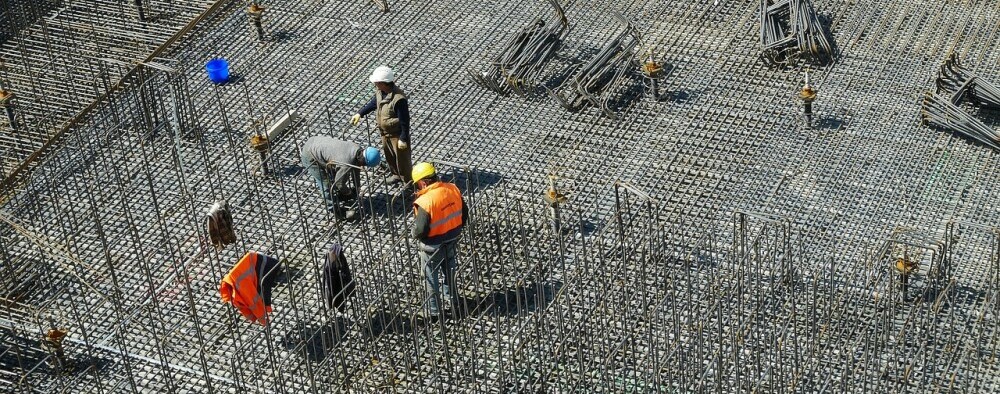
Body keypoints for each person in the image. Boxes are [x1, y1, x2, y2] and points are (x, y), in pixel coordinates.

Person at [410, 162, 468, 319]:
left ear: (422, 182)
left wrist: (414, 233)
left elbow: (420, 229)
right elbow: (465, 214)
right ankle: (455, 302)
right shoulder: (452, 188)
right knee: (450, 271)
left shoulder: (425, 201)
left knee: (430, 276)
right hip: (453, 237)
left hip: (432, 246)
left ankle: (433, 311)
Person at [350, 66, 412, 185]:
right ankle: (396, 175)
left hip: (397, 135)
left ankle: (407, 182)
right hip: (385, 133)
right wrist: (360, 113)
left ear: (384, 83)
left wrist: (403, 138)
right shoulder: (381, 92)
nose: (375, 85)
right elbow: (374, 103)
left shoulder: (399, 99)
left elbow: (405, 120)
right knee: (390, 157)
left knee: (403, 160)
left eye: (377, 83)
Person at [300, 136, 380, 220]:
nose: (364, 166)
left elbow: (356, 167)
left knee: (337, 174)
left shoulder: (357, 149)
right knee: (326, 184)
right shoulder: (345, 164)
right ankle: (335, 210)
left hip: (316, 141)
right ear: (363, 160)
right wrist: (348, 192)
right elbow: (339, 183)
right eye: (365, 164)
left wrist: (357, 186)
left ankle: (339, 196)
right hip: (310, 155)